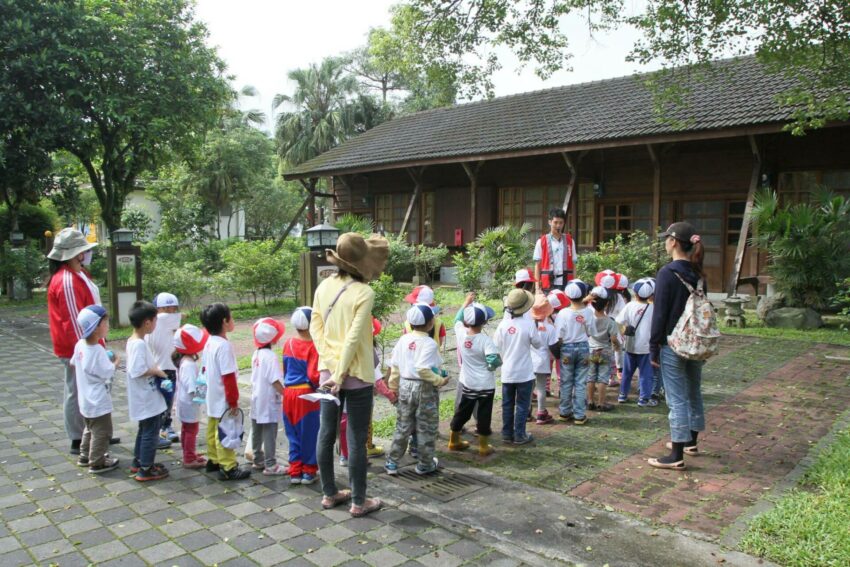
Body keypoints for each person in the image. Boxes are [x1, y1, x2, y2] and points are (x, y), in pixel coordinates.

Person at [311, 232, 388, 517]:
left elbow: (315, 327)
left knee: (326, 432)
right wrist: (341, 372)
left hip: (327, 374)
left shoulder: (324, 287)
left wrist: (331, 367)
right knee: (355, 438)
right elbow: (355, 337)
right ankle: (358, 501)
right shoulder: (364, 292)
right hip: (355, 375)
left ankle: (329, 494)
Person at [46, 227, 118, 454]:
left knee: (92, 389)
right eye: (84, 250)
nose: (87, 254)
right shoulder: (66, 280)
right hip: (77, 348)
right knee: (77, 391)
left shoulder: (79, 274)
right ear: (76, 254)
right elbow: (74, 321)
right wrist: (90, 350)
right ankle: (79, 437)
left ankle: (97, 432)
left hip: (91, 343)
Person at [649, 222, 707, 470]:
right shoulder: (698, 272)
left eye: (666, 239)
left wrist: (654, 346)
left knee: (676, 398)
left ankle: (676, 455)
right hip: (696, 342)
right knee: (693, 390)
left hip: (672, 342)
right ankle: (690, 441)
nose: (664, 242)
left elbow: (659, 313)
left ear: (673, 241)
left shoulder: (667, 273)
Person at [385, 303, 450, 475]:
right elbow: (424, 369)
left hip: (405, 385)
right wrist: (440, 381)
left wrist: (393, 387)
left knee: (403, 424)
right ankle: (425, 463)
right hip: (424, 388)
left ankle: (392, 462)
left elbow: (395, 367)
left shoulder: (403, 339)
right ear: (430, 323)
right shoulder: (429, 343)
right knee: (426, 426)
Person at [200, 303, 251, 480]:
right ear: (224, 321)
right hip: (222, 396)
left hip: (211, 394)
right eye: (231, 316)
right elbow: (228, 376)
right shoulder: (224, 346)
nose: (233, 320)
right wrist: (233, 401)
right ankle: (228, 466)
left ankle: (213, 460)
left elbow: (204, 369)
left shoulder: (209, 342)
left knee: (212, 427)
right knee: (226, 431)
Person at [71, 305, 119, 474]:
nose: (108, 326)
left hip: (85, 399)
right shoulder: (97, 350)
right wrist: (115, 362)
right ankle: (97, 461)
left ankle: (84, 455)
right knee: (103, 432)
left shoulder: (80, 345)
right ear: (97, 326)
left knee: (90, 428)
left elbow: (73, 362)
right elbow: (107, 372)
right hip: (98, 401)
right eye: (106, 322)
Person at [448, 302, 500, 456]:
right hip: (485, 385)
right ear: (484, 322)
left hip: (468, 383)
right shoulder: (485, 340)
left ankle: (453, 440)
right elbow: (493, 361)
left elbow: (456, 319)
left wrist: (465, 302)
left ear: (466, 321)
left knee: (462, 412)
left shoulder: (461, 333)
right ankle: (483, 446)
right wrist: (491, 367)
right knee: (484, 414)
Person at [126, 301, 169, 482]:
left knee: (144, 430)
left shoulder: (134, 341)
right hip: (145, 397)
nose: (156, 324)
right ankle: (145, 468)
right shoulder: (138, 344)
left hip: (144, 396)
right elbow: (137, 370)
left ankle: (139, 462)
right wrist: (157, 371)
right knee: (150, 432)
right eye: (155, 320)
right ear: (147, 323)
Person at [494, 289, 542, 444]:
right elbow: (538, 343)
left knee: (507, 404)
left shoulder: (502, 325)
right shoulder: (529, 325)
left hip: (507, 371)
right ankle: (520, 434)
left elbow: (496, 346)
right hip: (525, 372)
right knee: (522, 404)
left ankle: (507, 433)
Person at [282, 307, 321, 484]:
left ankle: (295, 470)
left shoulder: (288, 343)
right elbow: (314, 375)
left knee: (293, 434)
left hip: (288, 393)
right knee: (309, 434)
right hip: (306, 395)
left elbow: (285, 368)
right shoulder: (313, 346)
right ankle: (308, 471)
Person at [551, 280, 592, 424]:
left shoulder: (563, 313)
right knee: (581, 382)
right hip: (583, 348)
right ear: (585, 295)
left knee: (566, 381)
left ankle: (564, 412)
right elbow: (590, 331)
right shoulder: (588, 312)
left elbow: (558, 335)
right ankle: (580, 415)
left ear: (567, 296)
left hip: (567, 348)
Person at [250, 317, 287, 476]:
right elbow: (274, 381)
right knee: (270, 431)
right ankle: (271, 464)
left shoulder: (256, 353)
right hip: (269, 399)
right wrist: (287, 394)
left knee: (256, 428)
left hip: (256, 397)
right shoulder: (270, 356)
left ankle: (258, 458)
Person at [145, 292, 182, 447]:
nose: (171, 313)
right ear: (158, 310)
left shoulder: (153, 322)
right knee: (166, 400)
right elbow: (181, 317)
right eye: (166, 309)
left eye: (173, 309)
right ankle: (163, 428)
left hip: (161, 367)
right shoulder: (163, 320)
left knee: (165, 400)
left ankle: (165, 427)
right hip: (166, 369)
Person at [616, 278, 656, 406]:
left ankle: (623, 395)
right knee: (645, 374)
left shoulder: (629, 306)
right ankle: (644, 398)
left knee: (627, 372)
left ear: (635, 293)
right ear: (650, 295)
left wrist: (623, 331)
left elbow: (618, 322)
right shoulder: (653, 308)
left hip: (630, 345)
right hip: (646, 346)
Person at [173, 324, 208, 469]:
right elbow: (192, 388)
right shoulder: (189, 364)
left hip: (184, 403)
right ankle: (188, 457)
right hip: (189, 404)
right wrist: (204, 390)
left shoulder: (185, 361)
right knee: (191, 431)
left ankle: (189, 453)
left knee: (186, 430)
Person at [585, 286, 620, 412]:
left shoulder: (588, 318)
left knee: (590, 377)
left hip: (591, 350)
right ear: (607, 304)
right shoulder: (610, 322)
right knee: (603, 378)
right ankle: (601, 402)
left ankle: (589, 401)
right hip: (605, 351)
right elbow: (614, 339)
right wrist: (617, 346)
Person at [534, 208, 578, 294]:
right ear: (550, 222)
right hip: (547, 284)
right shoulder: (541, 241)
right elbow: (537, 265)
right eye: (555, 222)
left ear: (564, 223)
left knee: (566, 307)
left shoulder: (570, 241)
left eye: (561, 223)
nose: (558, 226)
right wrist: (537, 287)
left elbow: (574, 265)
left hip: (567, 283)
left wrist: (575, 282)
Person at [530, 294, 557, 424]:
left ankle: (526, 412)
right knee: (541, 387)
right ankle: (541, 413)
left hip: (528, 361)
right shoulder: (550, 328)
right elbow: (554, 346)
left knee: (529, 387)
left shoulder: (528, 326)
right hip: (543, 361)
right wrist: (559, 357)